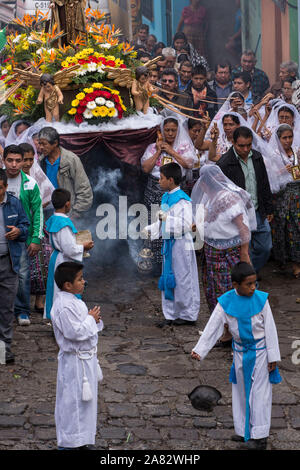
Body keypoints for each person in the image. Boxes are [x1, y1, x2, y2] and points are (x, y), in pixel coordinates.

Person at [191, 261, 281, 450]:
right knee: (239, 391)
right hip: (240, 352)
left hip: (260, 353)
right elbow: (213, 326)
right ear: (235, 285)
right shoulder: (225, 302)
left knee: (259, 394)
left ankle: (260, 436)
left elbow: (270, 329)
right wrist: (200, 350)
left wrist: (273, 356)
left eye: (254, 283)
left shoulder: (261, 301)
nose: (253, 288)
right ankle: (243, 430)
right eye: (248, 284)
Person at [191, 165, 256, 335]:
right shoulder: (209, 198)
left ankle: (237, 331)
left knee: (230, 290)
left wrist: (244, 252)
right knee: (214, 291)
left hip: (229, 252)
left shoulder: (228, 198)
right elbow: (207, 220)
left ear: (205, 184)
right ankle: (225, 332)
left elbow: (243, 227)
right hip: (212, 252)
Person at [50, 261, 103, 450]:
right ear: (67, 285)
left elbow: (86, 327)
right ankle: (70, 442)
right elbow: (74, 333)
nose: (84, 282)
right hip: (75, 362)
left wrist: (94, 320)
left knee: (86, 404)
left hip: (85, 360)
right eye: (80, 279)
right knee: (72, 403)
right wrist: (90, 319)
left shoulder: (75, 300)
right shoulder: (64, 306)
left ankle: (82, 439)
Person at [144, 162, 200, 328]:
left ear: (170, 180)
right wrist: (150, 230)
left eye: (161, 178)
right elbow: (162, 221)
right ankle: (171, 313)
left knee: (183, 278)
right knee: (170, 276)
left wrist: (166, 220)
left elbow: (186, 224)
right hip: (170, 244)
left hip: (181, 244)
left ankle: (187, 314)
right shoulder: (166, 197)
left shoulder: (183, 200)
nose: (158, 181)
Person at [141, 117, 197, 274]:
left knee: (173, 225)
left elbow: (189, 164)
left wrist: (172, 152)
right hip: (154, 190)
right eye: (167, 130)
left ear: (178, 131)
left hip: (175, 191)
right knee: (155, 224)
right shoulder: (153, 147)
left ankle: (173, 263)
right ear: (162, 130)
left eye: (173, 130)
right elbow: (145, 168)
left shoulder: (184, 147)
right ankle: (154, 264)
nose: (170, 133)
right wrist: (159, 150)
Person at [217, 126, 274, 276]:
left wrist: (268, 208)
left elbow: (263, 182)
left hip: (257, 209)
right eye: (241, 146)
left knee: (265, 247)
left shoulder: (256, 156)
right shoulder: (225, 163)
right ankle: (248, 281)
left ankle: (248, 273)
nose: (245, 149)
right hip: (239, 215)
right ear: (233, 143)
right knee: (243, 250)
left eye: (249, 145)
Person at [3, 144, 44, 326]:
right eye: (10, 160)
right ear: (3, 160)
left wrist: (36, 238)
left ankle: (22, 311)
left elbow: (38, 212)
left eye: (17, 161)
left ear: (23, 162)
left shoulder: (30, 183)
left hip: (21, 239)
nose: (13, 164)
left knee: (22, 275)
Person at [44, 188, 94, 320]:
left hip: (57, 258)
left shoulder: (54, 218)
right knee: (64, 291)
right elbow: (69, 248)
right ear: (67, 204)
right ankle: (65, 319)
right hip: (63, 261)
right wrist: (84, 247)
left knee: (56, 290)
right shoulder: (63, 224)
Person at [19, 142, 53, 314]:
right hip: (17, 226)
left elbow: (46, 195)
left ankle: (39, 301)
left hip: (36, 224)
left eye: (31, 159)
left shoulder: (35, 174)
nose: (27, 164)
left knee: (43, 262)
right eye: (24, 160)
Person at [0, 169, 29, 364]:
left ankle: (4, 349)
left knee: (6, 308)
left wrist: (19, 231)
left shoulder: (14, 203)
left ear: (5, 187)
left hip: (8, 262)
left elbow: (26, 226)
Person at [38, 127, 93, 220]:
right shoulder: (40, 161)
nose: (41, 147)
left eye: (44, 144)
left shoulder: (71, 160)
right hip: (46, 215)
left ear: (55, 143)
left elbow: (84, 190)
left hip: (67, 214)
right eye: (39, 143)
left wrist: (75, 213)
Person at [268, 124, 300, 278]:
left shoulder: (296, 152)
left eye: (290, 137)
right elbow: (270, 176)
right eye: (284, 138)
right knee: (283, 229)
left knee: (296, 229)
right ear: (278, 139)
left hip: (297, 195)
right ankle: (282, 260)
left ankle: (296, 263)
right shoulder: (274, 155)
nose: (288, 141)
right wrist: (282, 171)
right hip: (282, 197)